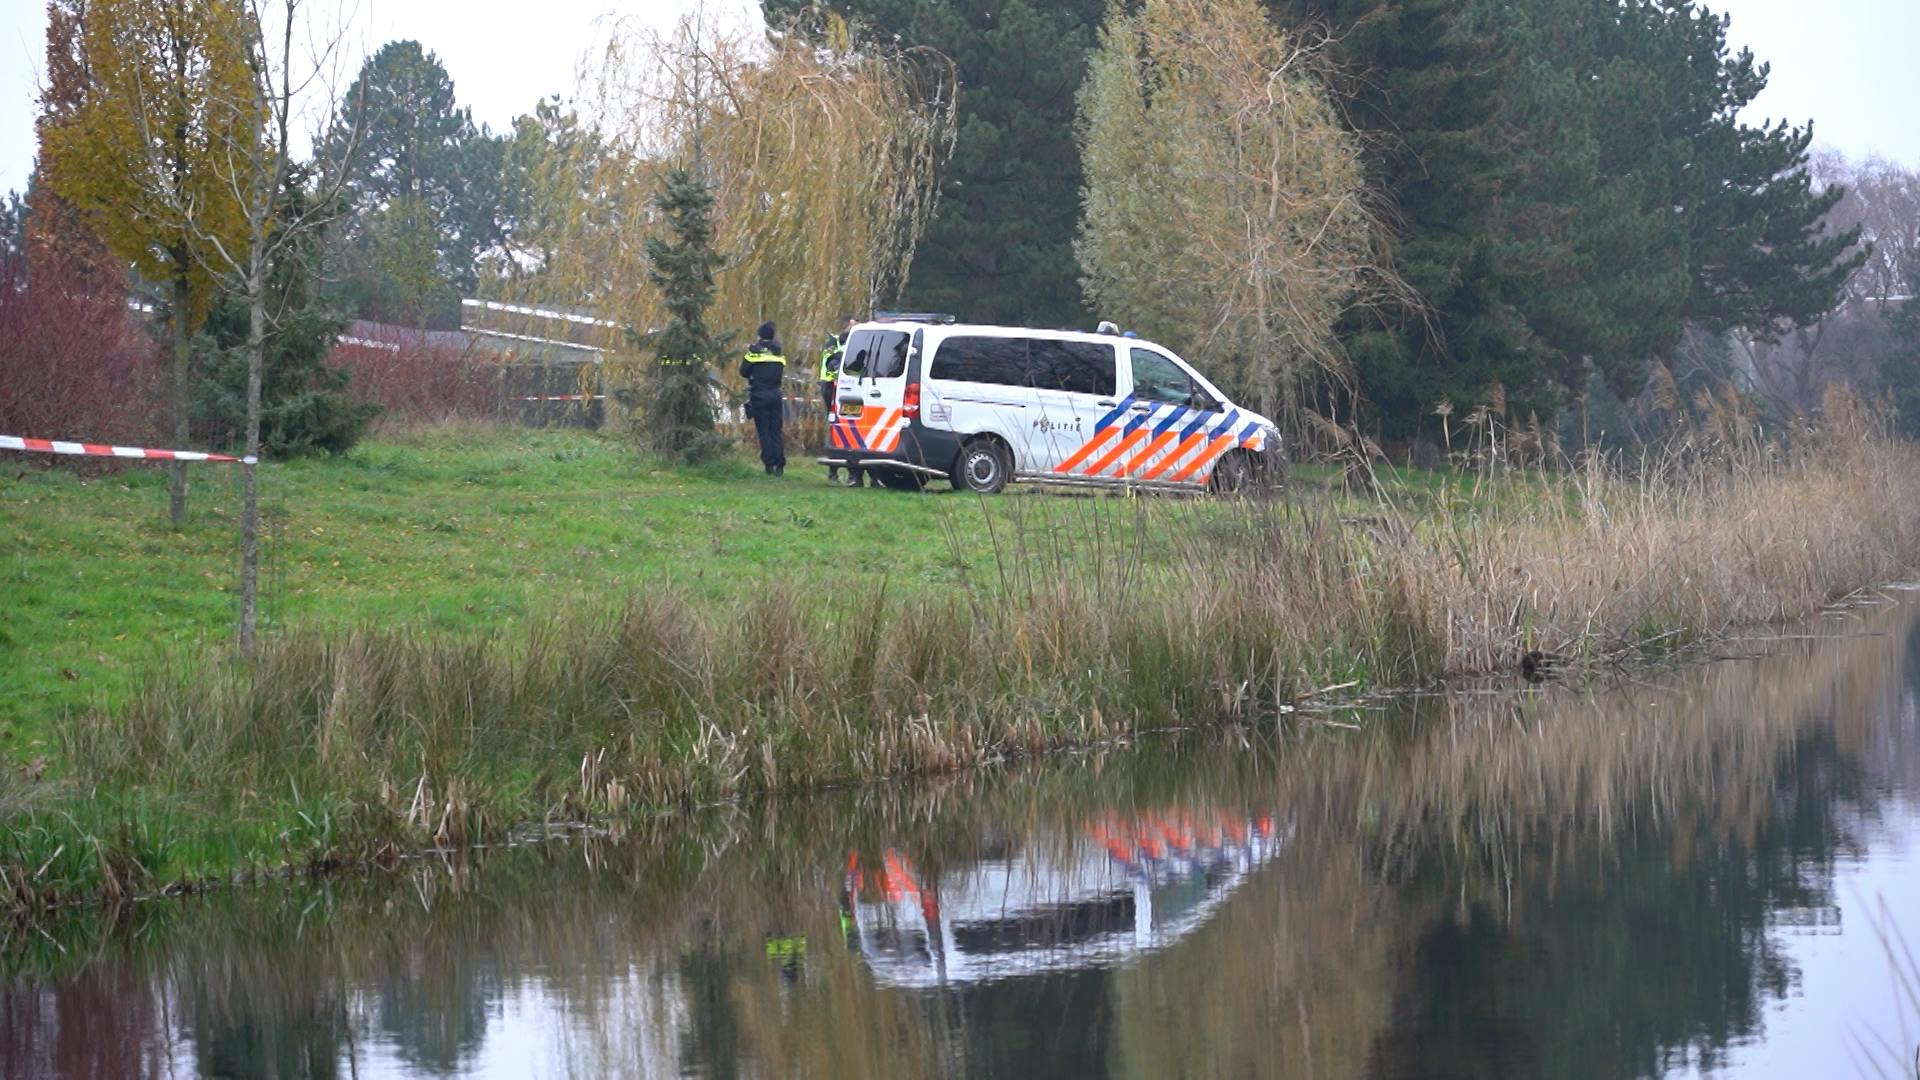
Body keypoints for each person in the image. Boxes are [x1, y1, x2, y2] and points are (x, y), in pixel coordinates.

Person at [818, 315, 865, 487]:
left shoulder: (859, 343)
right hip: (832, 388)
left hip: (853, 389)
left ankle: (856, 473)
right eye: (853, 326)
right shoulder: (834, 342)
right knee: (837, 429)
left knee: (853, 430)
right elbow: (832, 364)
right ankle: (834, 471)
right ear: (845, 326)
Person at [740, 321, 788, 475]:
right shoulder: (779, 354)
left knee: (764, 431)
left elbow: (743, 371)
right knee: (775, 430)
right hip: (775, 394)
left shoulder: (754, 353)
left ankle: (769, 464)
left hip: (759, 394)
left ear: (759, 335)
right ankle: (780, 464)